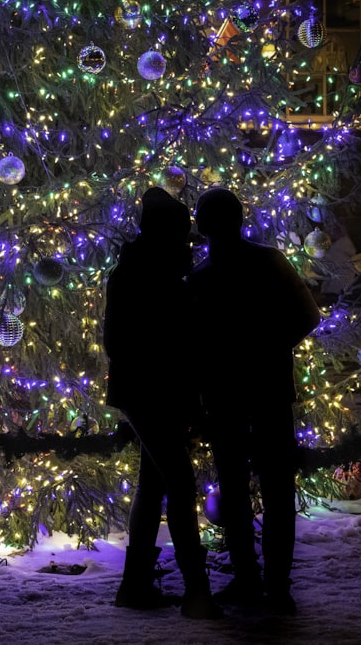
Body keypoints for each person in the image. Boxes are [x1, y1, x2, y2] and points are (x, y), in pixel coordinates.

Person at [187, 187, 320, 616]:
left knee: (235, 490)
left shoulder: (202, 279)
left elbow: (193, 347)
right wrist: (271, 349)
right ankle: (277, 586)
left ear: (203, 226)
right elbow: (308, 316)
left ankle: (248, 580)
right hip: (269, 388)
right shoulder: (270, 262)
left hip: (225, 396)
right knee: (278, 489)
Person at [104, 187, 222, 620]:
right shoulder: (147, 274)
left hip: (151, 391)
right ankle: (196, 590)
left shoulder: (150, 270)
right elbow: (123, 341)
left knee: (154, 483)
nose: (188, 241)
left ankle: (135, 585)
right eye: (182, 233)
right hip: (149, 392)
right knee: (178, 479)